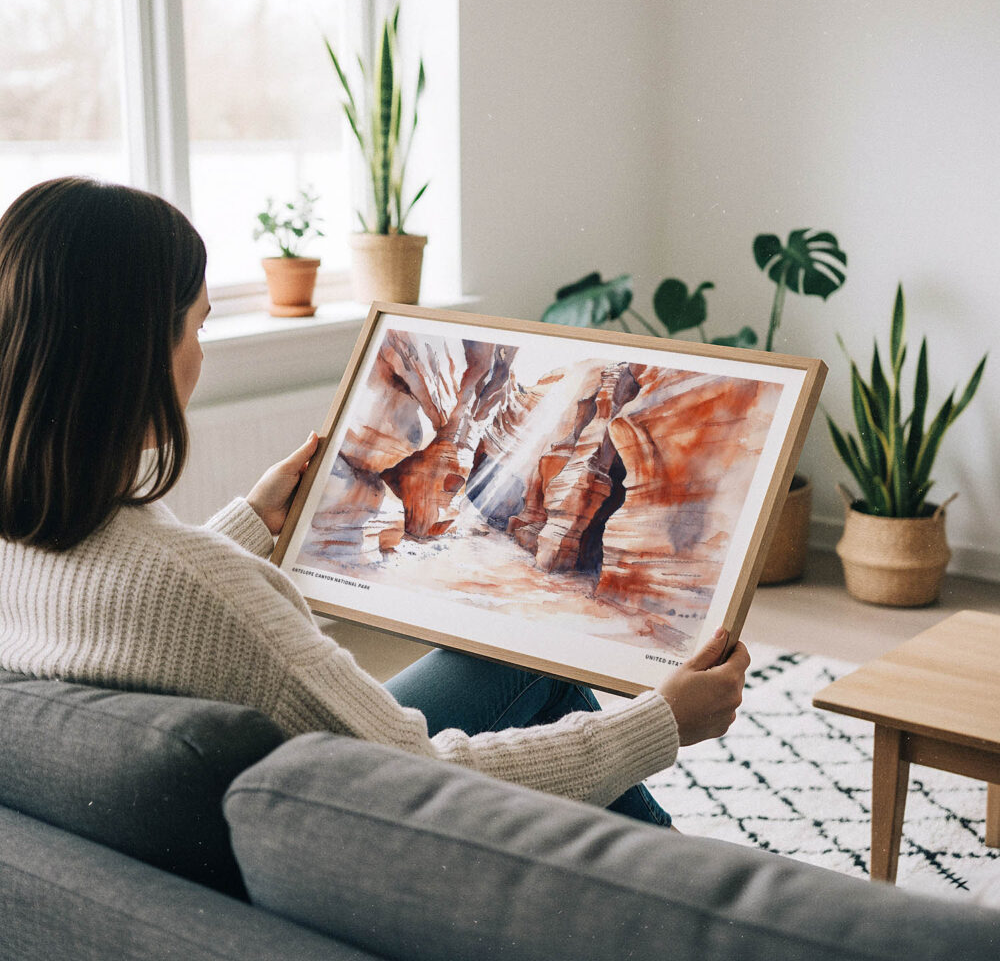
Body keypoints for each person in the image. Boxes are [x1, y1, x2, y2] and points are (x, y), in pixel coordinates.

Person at [0, 177, 749, 827]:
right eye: (198, 326)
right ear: (136, 355)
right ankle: (693, 896)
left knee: (504, 664)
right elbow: (417, 777)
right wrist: (660, 723)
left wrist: (250, 524)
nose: (202, 353)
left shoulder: (27, 541)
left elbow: (137, 600)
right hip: (354, 822)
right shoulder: (207, 591)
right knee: (546, 683)